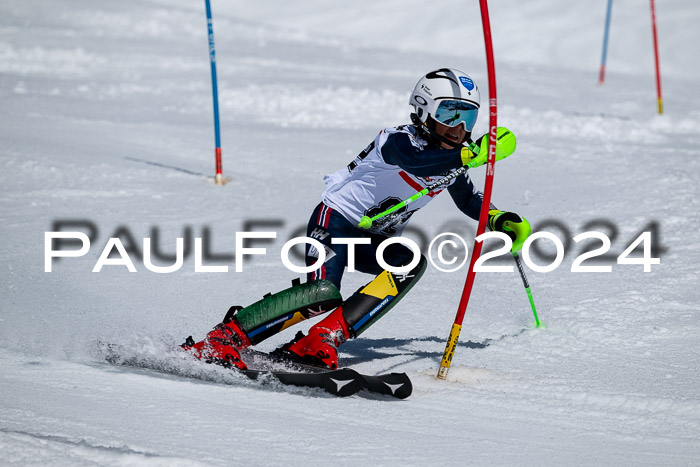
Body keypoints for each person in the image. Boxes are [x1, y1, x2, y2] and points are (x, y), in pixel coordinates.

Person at [182, 68, 530, 371]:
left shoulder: (454, 160)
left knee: (408, 263)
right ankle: (226, 337)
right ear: (424, 111)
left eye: (467, 118)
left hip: (371, 241)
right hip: (334, 224)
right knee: (322, 293)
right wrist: (470, 155)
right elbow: (416, 163)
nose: (458, 128)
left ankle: (321, 338)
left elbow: (469, 199)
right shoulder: (396, 141)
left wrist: (500, 219)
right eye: (449, 113)